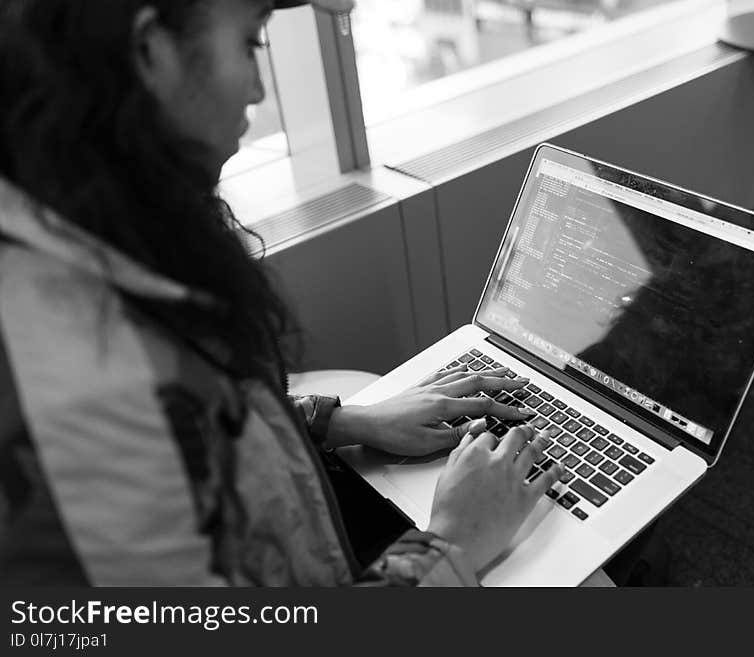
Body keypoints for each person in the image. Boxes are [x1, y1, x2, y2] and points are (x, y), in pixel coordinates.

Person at [0, 0, 569, 586]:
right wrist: (451, 542)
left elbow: (208, 433)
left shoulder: (96, 229)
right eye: (251, 44)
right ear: (151, 52)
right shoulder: (84, 395)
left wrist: (343, 422)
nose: (256, 88)